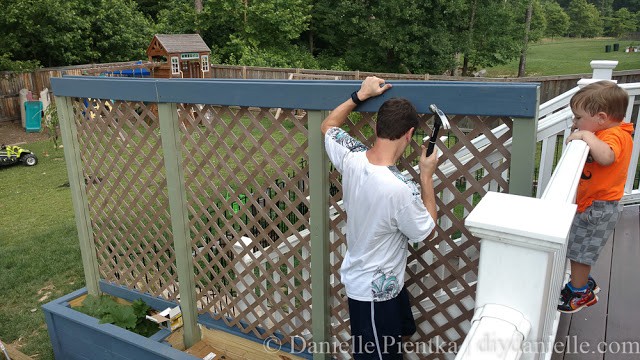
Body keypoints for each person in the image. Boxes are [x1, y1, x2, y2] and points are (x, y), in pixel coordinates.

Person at [321, 76, 439, 359]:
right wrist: (426, 175)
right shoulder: (400, 189)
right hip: (372, 295)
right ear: (409, 134)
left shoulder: (352, 157)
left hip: (384, 284)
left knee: (400, 335)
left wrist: (359, 96)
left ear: (377, 126)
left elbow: (328, 127)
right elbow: (428, 231)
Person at [558, 80, 634, 313]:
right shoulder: (604, 130)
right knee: (580, 246)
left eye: (578, 118)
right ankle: (582, 283)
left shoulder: (615, 135)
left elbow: (607, 157)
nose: (574, 123)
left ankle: (579, 293)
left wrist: (586, 137)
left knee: (580, 252)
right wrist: (586, 132)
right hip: (592, 206)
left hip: (598, 209)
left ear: (601, 117)